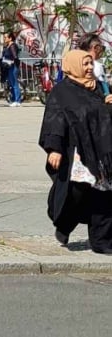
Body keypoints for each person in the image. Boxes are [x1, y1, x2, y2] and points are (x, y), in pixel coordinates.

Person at [40, 48, 112, 252]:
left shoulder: (101, 88)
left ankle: (102, 241)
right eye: (85, 64)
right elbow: (55, 120)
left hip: (102, 152)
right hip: (79, 152)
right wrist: (54, 148)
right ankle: (64, 223)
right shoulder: (62, 91)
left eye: (91, 64)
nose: (89, 68)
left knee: (104, 196)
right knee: (75, 194)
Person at [2, 33, 22, 107]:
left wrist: (12, 62)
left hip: (13, 66)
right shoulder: (7, 46)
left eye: (5, 37)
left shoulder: (13, 46)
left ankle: (17, 100)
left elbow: (15, 56)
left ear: (10, 38)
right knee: (11, 83)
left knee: (14, 83)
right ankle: (13, 99)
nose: (4, 39)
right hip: (9, 66)